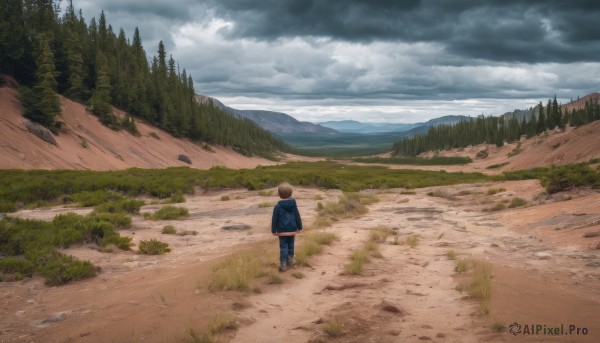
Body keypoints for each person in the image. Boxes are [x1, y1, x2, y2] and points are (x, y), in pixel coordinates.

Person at [271, 183, 303, 272]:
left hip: (282, 231)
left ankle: (283, 264)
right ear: (291, 193)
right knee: (291, 245)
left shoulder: (277, 206)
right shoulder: (293, 205)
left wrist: (273, 230)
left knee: (283, 246)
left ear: (279, 194)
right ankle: (290, 261)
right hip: (292, 229)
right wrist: (299, 227)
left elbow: (275, 219)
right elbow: (297, 216)